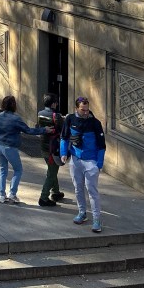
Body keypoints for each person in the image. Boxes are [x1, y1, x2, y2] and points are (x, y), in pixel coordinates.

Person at [60, 95, 106, 232]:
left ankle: (97, 219)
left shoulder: (95, 123)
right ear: (76, 108)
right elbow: (64, 137)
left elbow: (102, 145)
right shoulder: (70, 119)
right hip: (75, 160)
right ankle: (82, 213)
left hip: (91, 161)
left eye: (87, 110)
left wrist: (99, 164)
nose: (85, 112)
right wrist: (63, 153)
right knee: (78, 188)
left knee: (92, 191)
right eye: (82, 110)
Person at [0, 95, 52, 204]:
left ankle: (1, 195)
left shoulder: (0, 115)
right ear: (13, 105)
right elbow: (28, 130)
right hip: (10, 147)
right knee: (18, 170)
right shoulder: (16, 118)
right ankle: (12, 194)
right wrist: (44, 130)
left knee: (2, 170)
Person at [37, 93, 66, 207]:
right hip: (53, 148)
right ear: (53, 103)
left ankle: (56, 192)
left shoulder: (40, 113)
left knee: (52, 169)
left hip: (43, 147)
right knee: (52, 173)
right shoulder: (56, 115)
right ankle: (43, 198)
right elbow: (63, 129)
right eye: (56, 102)